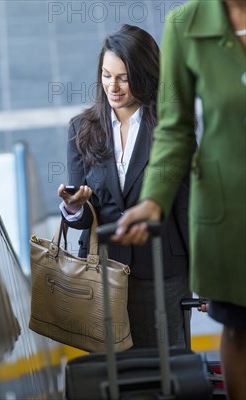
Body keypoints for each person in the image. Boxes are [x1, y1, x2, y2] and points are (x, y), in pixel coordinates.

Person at [112, 1, 246, 398]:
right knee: (240, 332)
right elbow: (174, 129)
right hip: (230, 215)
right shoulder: (185, 25)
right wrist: (154, 199)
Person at [57, 24, 193, 349]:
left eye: (123, 77)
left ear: (145, 75)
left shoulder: (170, 128)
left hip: (162, 271)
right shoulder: (82, 129)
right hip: (102, 271)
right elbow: (83, 214)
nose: (112, 87)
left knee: (168, 368)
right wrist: (74, 206)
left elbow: (188, 205)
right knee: (114, 373)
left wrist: (203, 276)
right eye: (106, 75)